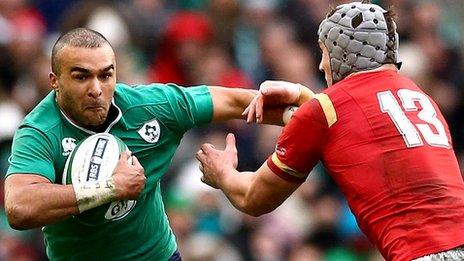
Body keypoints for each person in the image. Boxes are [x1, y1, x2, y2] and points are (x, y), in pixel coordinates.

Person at [3, 28, 312, 260]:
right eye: (81, 77)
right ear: (54, 80)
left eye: (106, 75)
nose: (97, 89)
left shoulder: (150, 107)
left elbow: (233, 102)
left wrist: (301, 111)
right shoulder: (39, 130)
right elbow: (19, 207)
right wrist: (109, 187)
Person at [196, 1, 464, 260]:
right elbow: (357, 124)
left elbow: (253, 197)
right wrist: (305, 98)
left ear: (340, 55)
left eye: (323, 53)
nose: (321, 65)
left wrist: (221, 173)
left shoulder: (325, 110)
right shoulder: (420, 97)